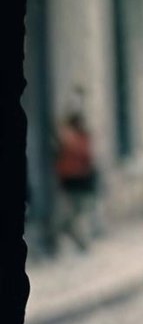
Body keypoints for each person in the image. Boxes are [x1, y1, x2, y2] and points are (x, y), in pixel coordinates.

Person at [51, 100, 100, 252]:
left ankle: (82, 244)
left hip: (78, 183)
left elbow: (80, 154)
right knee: (70, 218)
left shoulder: (78, 138)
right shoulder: (77, 137)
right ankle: (80, 244)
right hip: (70, 183)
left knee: (74, 218)